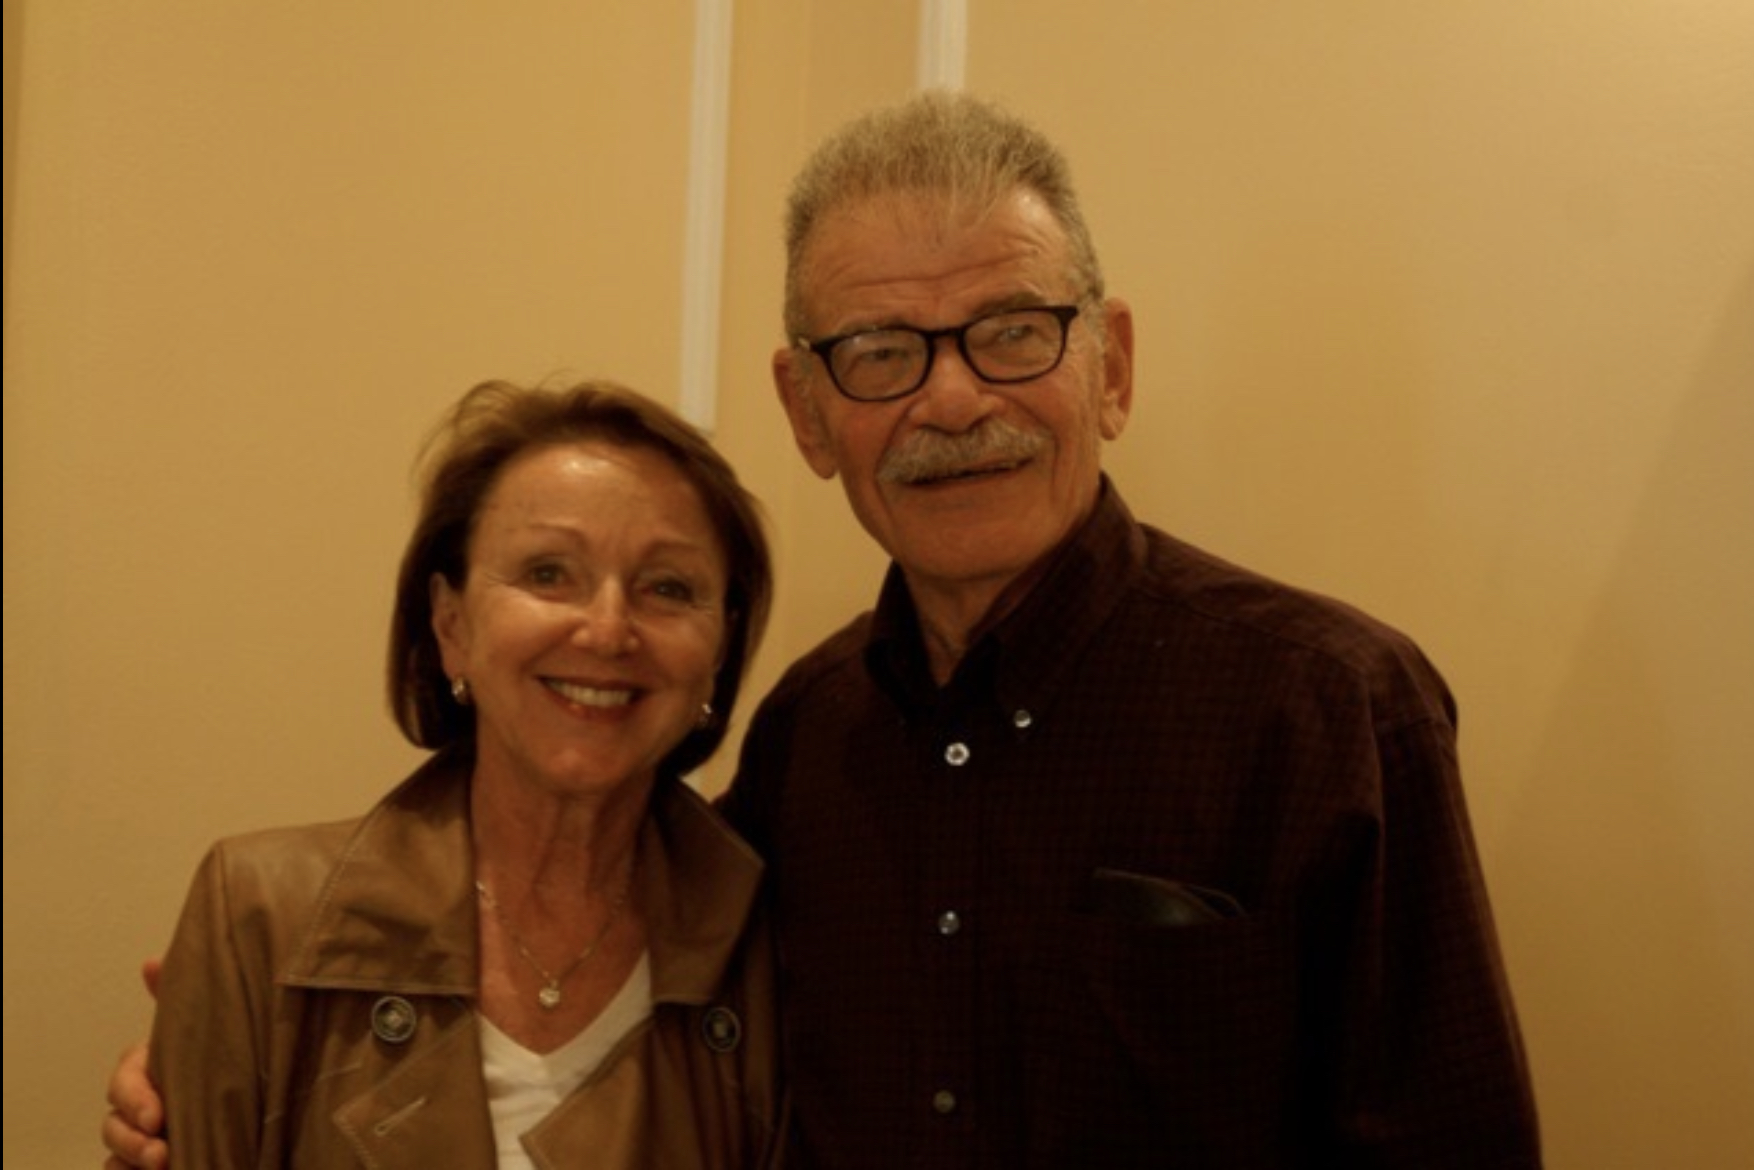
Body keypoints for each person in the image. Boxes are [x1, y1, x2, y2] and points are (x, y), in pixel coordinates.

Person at [106, 91, 1540, 1167]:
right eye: (880, 352)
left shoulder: (1326, 704)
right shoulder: (805, 739)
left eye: (1012, 330)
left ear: (1106, 366)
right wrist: (251, 1043)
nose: (951, 399)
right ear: (807, 413)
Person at [109, 379, 781, 1168]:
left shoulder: (769, 942)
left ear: (718, 650)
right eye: (548, 573)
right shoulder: (258, 917)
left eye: (668, 587)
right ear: (451, 624)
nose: (607, 631)